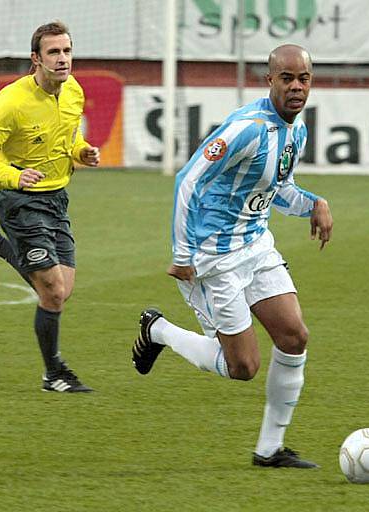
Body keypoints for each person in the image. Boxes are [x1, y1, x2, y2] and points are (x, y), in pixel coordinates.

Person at [131, 44, 333, 468]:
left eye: (304, 79)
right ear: (270, 81)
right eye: (287, 78)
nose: (296, 87)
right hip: (212, 260)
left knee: (294, 336)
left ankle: (269, 450)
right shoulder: (247, 128)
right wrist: (182, 254)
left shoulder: (296, 130)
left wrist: (315, 203)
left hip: (256, 246)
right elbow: (187, 181)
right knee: (243, 367)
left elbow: (279, 192)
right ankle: (159, 330)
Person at [0, 21, 100, 393]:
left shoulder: (73, 91)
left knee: (63, 287)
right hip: (19, 200)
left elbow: (69, 136)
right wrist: (14, 178)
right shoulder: (11, 102)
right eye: (54, 53)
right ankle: (54, 373)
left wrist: (81, 151)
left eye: (67, 51)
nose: (63, 60)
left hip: (57, 197)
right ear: (36, 59)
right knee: (52, 292)